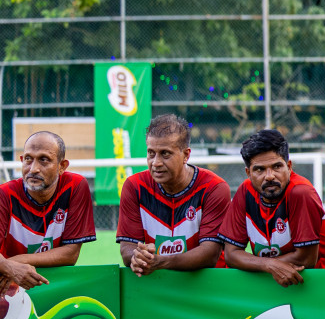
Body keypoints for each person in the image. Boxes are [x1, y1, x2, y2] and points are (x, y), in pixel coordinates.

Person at [217, 129, 325, 286]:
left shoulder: (301, 192)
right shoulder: (245, 191)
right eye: (259, 169)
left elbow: (306, 259)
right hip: (268, 288)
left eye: (277, 166)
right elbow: (231, 255)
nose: (269, 176)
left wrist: (264, 264)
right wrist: (268, 265)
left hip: (314, 288)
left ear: (289, 166)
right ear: (248, 173)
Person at [117, 114, 231, 276]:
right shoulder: (134, 186)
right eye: (151, 153)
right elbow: (127, 248)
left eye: (165, 154)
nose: (156, 162)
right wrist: (138, 258)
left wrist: (161, 262)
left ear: (186, 155)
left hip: (209, 286)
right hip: (158, 285)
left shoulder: (214, 188)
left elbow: (210, 254)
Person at [0, 131, 96, 268]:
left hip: (41, 278)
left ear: (62, 166)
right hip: (7, 280)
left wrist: (10, 265)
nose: (33, 169)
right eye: (28, 159)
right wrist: (11, 269)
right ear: (21, 160)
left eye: (44, 160)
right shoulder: (4, 194)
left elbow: (70, 254)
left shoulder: (75, 186)